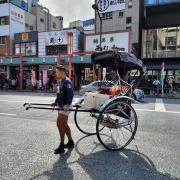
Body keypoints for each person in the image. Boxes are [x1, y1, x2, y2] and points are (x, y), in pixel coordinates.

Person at [51, 65, 74, 154]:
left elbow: (71, 94)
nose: (56, 73)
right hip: (61, 105)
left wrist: (67, 105)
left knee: (59, 123)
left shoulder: (67, 81)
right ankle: (70, 141)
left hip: (65, 106)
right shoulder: (61, 81)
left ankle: (61, 144)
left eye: (57, 72)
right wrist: (55, 102)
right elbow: (59, 94)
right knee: (64, 124)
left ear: (62, 72)